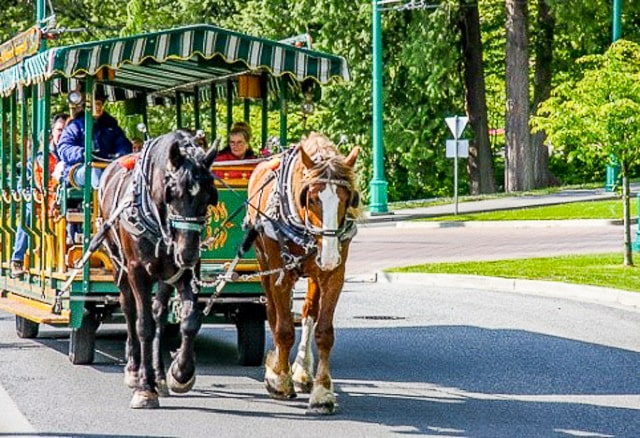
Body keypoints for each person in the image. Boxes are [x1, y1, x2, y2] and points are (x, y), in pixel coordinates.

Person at [11, 113, 69, 277]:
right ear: (53, 132)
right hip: (40, 197)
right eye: (59, 130)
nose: (62, 133)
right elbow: (29, 180)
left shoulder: (72, 153)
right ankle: (18, 258)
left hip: (64, 198)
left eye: (66, 130)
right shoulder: (40, 156)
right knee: (28, 210)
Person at [57, 91, 132, 189]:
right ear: (85, 107)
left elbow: (123, 144)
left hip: (107, 166)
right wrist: (82, 153)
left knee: (126, 170)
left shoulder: (111, 126)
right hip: (78, 169)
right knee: (95, 171)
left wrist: (121, 154)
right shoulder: (75, 126)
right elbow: (64, 148)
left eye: (99, 104)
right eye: (93, 104)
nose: (97, 107)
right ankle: (99, 202)